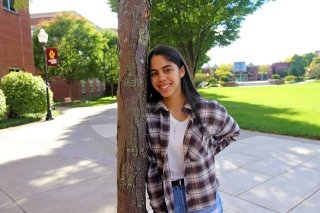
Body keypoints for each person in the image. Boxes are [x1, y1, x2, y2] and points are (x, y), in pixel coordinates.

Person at [146, 45, 240, 213]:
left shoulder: (207, 109)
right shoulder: (148, 116)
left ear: (181, 71)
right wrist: (157, 204)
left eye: (167, 70)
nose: (161, 78)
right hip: (168, 202)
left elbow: (232, 132)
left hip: (204, 198)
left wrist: (206, 152)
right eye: (154, 73)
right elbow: (150, 165)